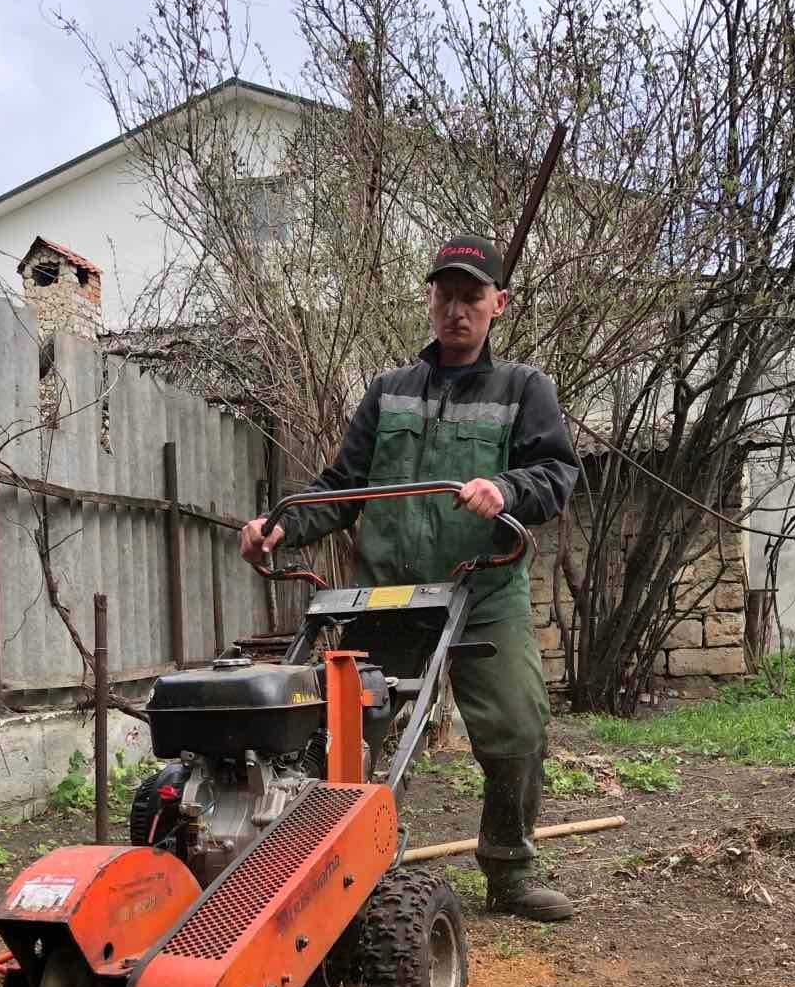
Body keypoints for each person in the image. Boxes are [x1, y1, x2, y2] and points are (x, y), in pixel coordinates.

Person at [239, 233, 579, 921]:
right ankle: (316, 862)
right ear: (429, 299)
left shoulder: (524, 389)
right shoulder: (389, 392)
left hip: (482, 587)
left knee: (517, 726)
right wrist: (281, 526)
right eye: (445, 294)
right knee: (342, 732)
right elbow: (340, 487)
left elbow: (558, 475)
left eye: (472, 296)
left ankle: (509, 872)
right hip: (389, 594)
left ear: (499, 304)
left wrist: (505, 490)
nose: (457, 309)